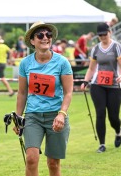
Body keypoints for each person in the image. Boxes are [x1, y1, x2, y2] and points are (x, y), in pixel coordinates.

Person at [13, 21, 73, 176]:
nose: (45, 37)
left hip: (56, 117)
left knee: (53, 163)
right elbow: (22, 93)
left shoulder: (62, 62)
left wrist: (62, 114)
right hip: (33, 116)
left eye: (48, 34)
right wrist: (18, 117)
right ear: (32, 41)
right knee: (31, 159)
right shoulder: (25, 63)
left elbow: (68, 93)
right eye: (40, 35)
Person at [80, 22, 121, 153]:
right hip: (97, 85)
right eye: (100, 35)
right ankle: (102, 144)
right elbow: (91, 68)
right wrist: (85, 81)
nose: (102, 37)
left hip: (114, 85)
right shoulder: (95, 49)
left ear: (109, 32)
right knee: (100, 114)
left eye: (104, 34)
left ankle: (118, 131)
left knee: (113, 117)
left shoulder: (116, 46)